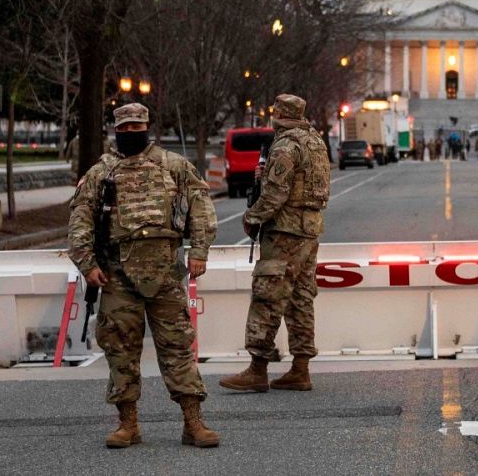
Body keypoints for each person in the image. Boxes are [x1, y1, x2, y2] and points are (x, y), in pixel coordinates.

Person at [67, 103, 218, 449]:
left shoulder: (173, 165)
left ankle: (193, 422)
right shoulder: (102, 172)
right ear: (116, 129)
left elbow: (200, 204)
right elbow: (80, 219)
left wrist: (198, 250)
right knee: (120, 349)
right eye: (126, 128)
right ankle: (128, 424)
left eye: (138, 127)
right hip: (118, 275)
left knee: (178, 346)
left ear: (147, 127)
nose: (133, 133)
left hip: (165, 272)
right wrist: (87, 263)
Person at [220, 94, 331, 393]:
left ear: (279, 115)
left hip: (284, 231)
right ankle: (300, 368)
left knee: (267, 296)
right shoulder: (316, 142)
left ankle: (258, 368)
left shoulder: (285, 145)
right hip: (309, 230)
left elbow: (276, 195)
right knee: (301, 298)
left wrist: (252, 217)